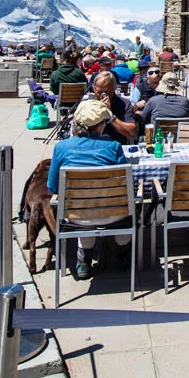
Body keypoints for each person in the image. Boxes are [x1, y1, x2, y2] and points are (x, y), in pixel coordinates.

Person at [47, 99, 132, 280]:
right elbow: (125, 183)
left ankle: (84, 260)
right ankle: (122, 253)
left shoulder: (61, 147)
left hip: (78, 214)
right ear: (101, 126)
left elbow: (52, 186)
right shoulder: (114, 147)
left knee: (84, 209)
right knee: (125, 206)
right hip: (114, 212)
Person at [86, 70, 136, 144]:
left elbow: (131, 133)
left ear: (114, 88)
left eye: (106, 92)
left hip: (116, 144)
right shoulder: (88, 104)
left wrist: (110, 115)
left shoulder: (124, 104)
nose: (103, 95)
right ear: (94, 88)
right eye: (99, 92)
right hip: (93, 145)